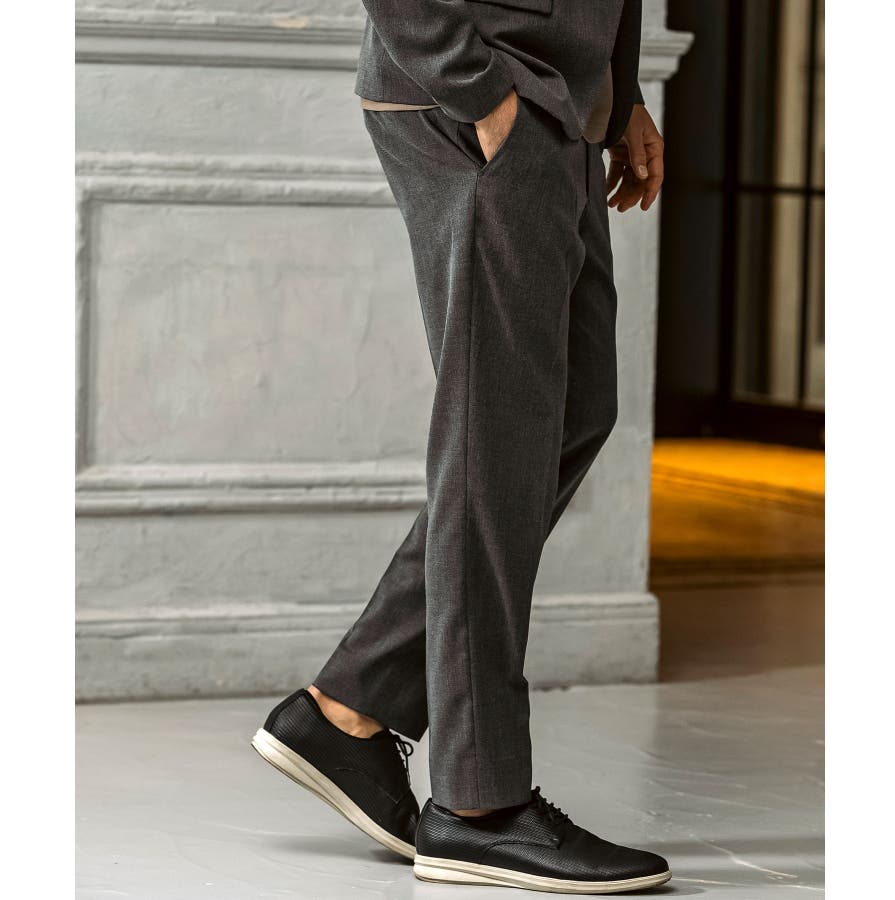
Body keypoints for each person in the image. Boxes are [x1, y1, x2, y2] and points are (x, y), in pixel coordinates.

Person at [251, 0, 669, 893]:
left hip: (558, 96)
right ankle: (478, 806)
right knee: (497, 440)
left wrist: (620, 89)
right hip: (485, 86)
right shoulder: (485, 94)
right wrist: (475, 87)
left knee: (568, 415)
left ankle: (350, 706)